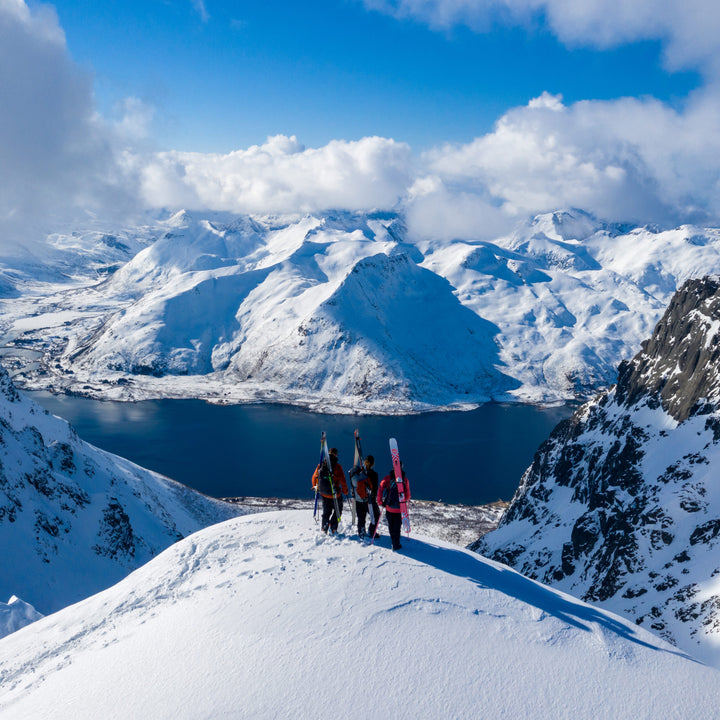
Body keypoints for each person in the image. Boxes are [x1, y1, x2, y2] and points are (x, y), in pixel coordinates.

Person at [311, 447, 347, 534]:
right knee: (338, 510)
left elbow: (314, 477)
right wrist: (345, 491)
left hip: (324, 493)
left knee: (326, 512)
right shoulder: (338, 466)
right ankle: (333, 527)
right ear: (335, 454)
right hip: (335, 494)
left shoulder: (321, 465)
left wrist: (316, 487)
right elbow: (342, 480)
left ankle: (324, 528)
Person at [377, 463, 410, 551]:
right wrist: (403, 501)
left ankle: (393, 540)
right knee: (397, 526)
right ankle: (396, 543)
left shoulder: (387, 478)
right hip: (400, 508)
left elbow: (380, 489)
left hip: (389, 507)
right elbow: (407, 496)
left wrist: (380, 502)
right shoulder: (405, 480)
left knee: (391, 524)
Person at [350, 455, 379, 538]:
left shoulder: (359, 473)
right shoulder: (374, 474)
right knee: (375, 515)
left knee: (361, 517)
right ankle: (372, 531)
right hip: (368, 500)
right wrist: (373, 498)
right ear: (373, 463)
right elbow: (374, 489)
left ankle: (361, 532)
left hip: (359, 500)